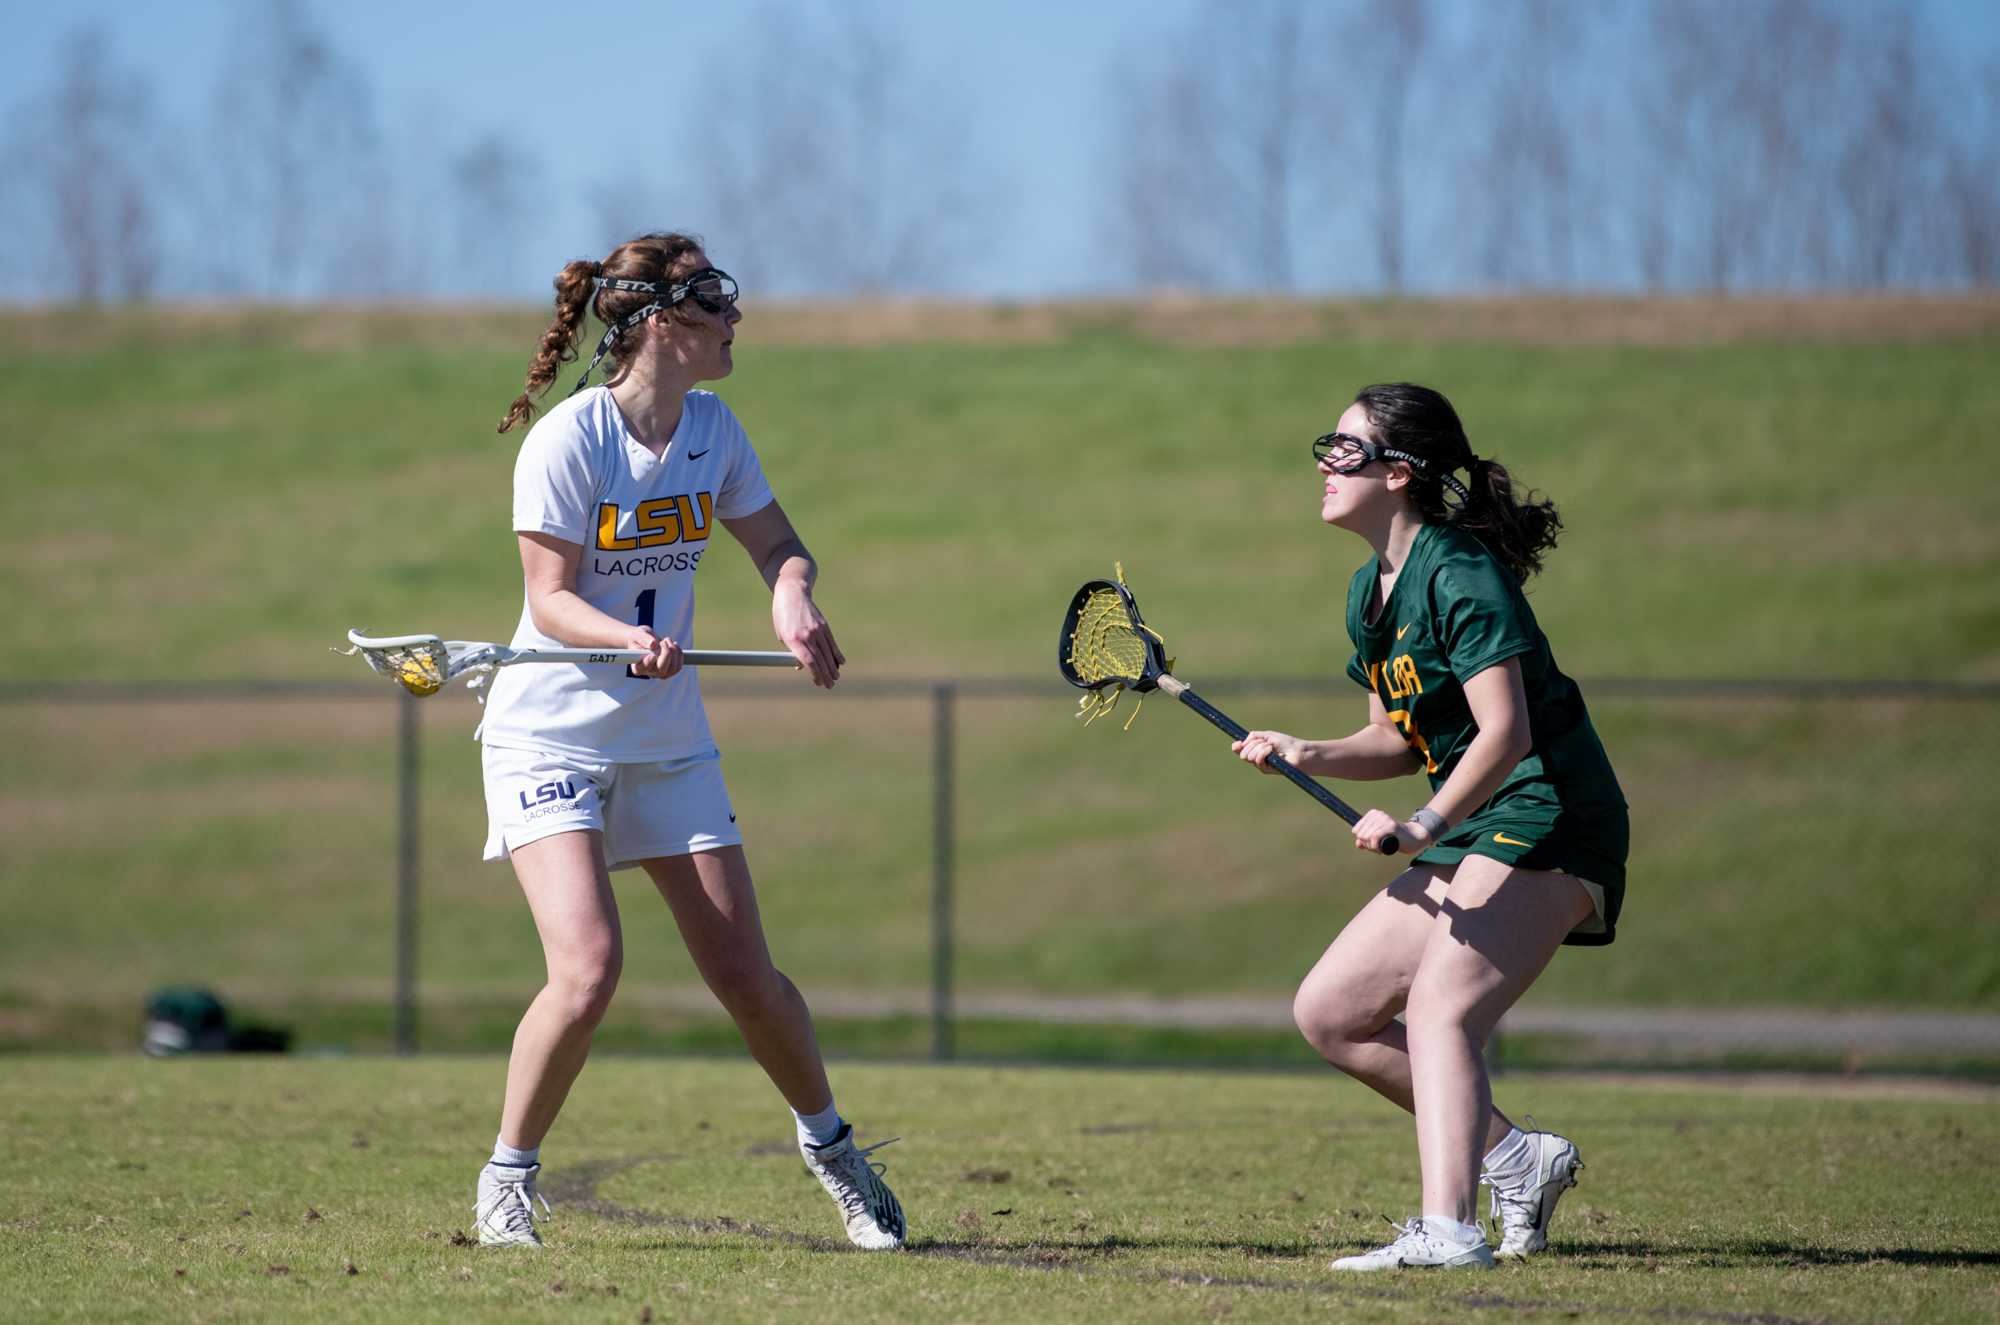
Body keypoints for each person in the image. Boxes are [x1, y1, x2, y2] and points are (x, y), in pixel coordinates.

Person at [469, 232, 905, 1251]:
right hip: (549, 739)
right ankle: (507, 1179)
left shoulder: (713, 428)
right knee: (586, 969)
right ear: (659, 319)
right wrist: (629, 637)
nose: (734, 317)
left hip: (666, 740)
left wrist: (792, 599)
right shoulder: (568, 440)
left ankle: (835, 1152)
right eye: (715, 299)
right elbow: (549, 597)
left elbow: (778, 545)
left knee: (747, 974)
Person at [1232, 382, 1627, 1272]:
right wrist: (1309, 750)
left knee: (1441, 1007)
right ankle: (1515, 1158)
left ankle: (1448, 1230)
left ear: (1399, 471)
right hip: (1474, 819)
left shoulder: (1457, 570)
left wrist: (1422, 825)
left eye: (1345, 449)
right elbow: (1396, 737)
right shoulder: (1367, 596)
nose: (1325, 465)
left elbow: (1508, 732)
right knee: (1331, 1012)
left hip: (1547, 810)